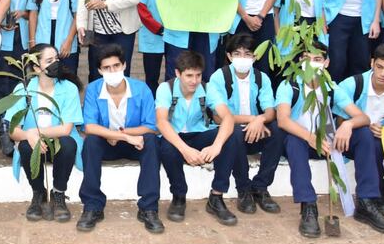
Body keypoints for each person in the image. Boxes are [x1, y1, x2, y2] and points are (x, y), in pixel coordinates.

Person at [275, 41, 384, 237]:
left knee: (364, 134)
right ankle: (308, 206)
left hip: (329, 142)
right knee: (293, 140)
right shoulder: (289, 85)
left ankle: (367, 202)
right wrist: (310, 138)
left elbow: (363, 117)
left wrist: (348, 125)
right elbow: (282, 120)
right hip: (303, 141)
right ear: (300, 62)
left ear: (326, 63)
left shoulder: (331, 87)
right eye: (307, 59)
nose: (312, 64)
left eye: (317, 59)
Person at [76, 44, 162, 233]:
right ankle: (93, 206)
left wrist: (126, 135)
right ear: (99, 70)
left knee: (152, 142)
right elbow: (89, 127)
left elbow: (151, 126)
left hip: (135, 144)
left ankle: (149, 208)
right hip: (107, 143)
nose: (112, 71)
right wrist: (119, 136)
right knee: (90, 142)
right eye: (106, 68)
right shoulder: (93, 89)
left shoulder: (141, 89)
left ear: (124, 65)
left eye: (116, 66)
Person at [157, 50, 240, 226]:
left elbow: (228, 117)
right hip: (176, 137)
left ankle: (216, 196)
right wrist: (185, 150)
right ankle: (179, 196)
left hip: (199, 134)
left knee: (233, 134)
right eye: (189, 75)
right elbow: (162, 123)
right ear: (178, 74)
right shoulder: (166, 89)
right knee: (166, 147)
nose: (194, 81)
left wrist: (216, 146)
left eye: (198, 75)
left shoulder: (207, 88)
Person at [5, 44, 83, 222]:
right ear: (36, 67)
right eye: (49, 61)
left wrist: (35, 132)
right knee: (25, 146)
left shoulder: (69, 88)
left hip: (60, 146)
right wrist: (29, 136)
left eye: (56, 59)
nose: (56, 63)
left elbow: (66, 129)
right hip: (35, 147)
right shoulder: (23, 90)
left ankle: (59, 194)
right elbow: (13, 130)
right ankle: (38, 193)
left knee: (68, 143)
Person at [207, 33, 283, 214]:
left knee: (279, 130)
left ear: (255, 56)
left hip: (257, 131)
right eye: (237, 54)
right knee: (234, 132)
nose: (242, 58)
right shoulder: (219, 77)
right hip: (231, 134)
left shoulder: (261, 77)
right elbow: (220, 118)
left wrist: (261, 119)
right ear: (229, 56)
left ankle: (261, 187)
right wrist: (254, 119)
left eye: (247, 54)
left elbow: (271, 111)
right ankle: (243, 189)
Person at [337, 44, 384, 211]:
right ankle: (374, 193)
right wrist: (356, 125)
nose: (383, 74)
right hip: (355, 141)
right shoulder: (351, 84)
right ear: (372, 63)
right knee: (368, 138)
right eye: (379, 67)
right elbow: (340, 122)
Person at [0, 0, 31, 154]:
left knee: (20, 81)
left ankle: (15, 121)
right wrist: (0, 21)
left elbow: (34, 8)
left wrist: (24, 13)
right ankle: (2, 123)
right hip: (3, 38)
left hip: (22, 38)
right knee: (2, 81)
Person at [138, 0, 168, 96]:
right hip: (152, 36)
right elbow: (141, 8)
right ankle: (153, 109)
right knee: (151, 78)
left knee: (172, 76)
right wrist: (158, 28)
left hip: (174, 35)